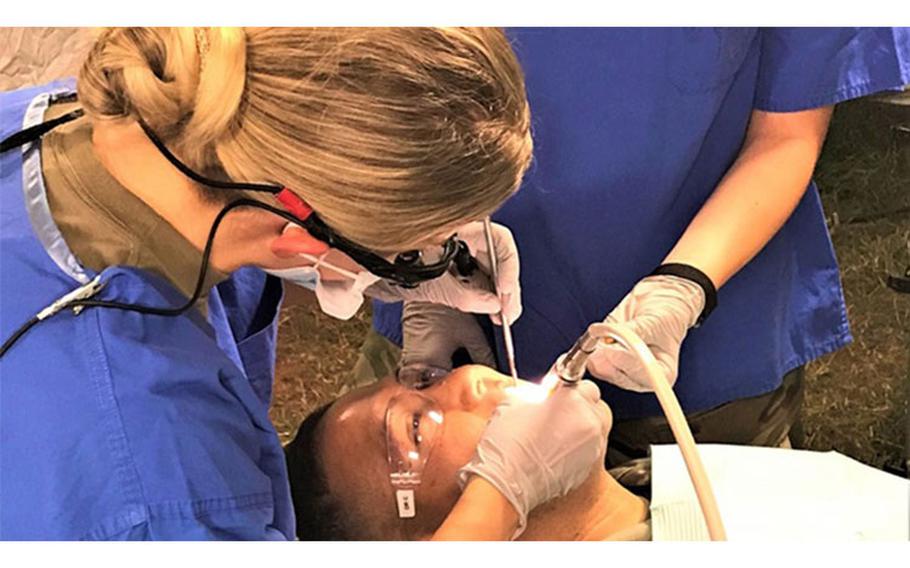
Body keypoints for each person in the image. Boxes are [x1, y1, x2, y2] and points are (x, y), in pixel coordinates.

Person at [0, 27, 608, 540]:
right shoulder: (166, 496)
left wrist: (389, 262)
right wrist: (495, 503)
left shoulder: (135, 114)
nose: (465, 384)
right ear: (300, 237)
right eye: (414, 254)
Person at [367, 28, 910, 463]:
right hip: (440, 293)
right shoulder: (422, 408)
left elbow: (786, 135)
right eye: (412, 427)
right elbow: (369, 97)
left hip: (713, 349)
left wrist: (686, 285)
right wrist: (421, 273)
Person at [285, 365, 650, 541]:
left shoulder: (672, 472)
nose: (467, 379)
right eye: (415, 426)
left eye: (426, 380)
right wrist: (500, 494)